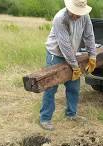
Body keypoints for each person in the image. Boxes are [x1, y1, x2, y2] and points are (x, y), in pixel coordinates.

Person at [39, 0, 97, 131]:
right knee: (50, 87)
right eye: (75, 12)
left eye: (79, 13)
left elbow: (89, 36)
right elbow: (64, 45)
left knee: (74, 87)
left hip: (72, 54)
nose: (77, 16)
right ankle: (45, 118)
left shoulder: (85, 17)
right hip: (56, 54)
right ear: (69, 7)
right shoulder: (60, 18)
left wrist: (92, 56)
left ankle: (71, 114)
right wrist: (75, 66)